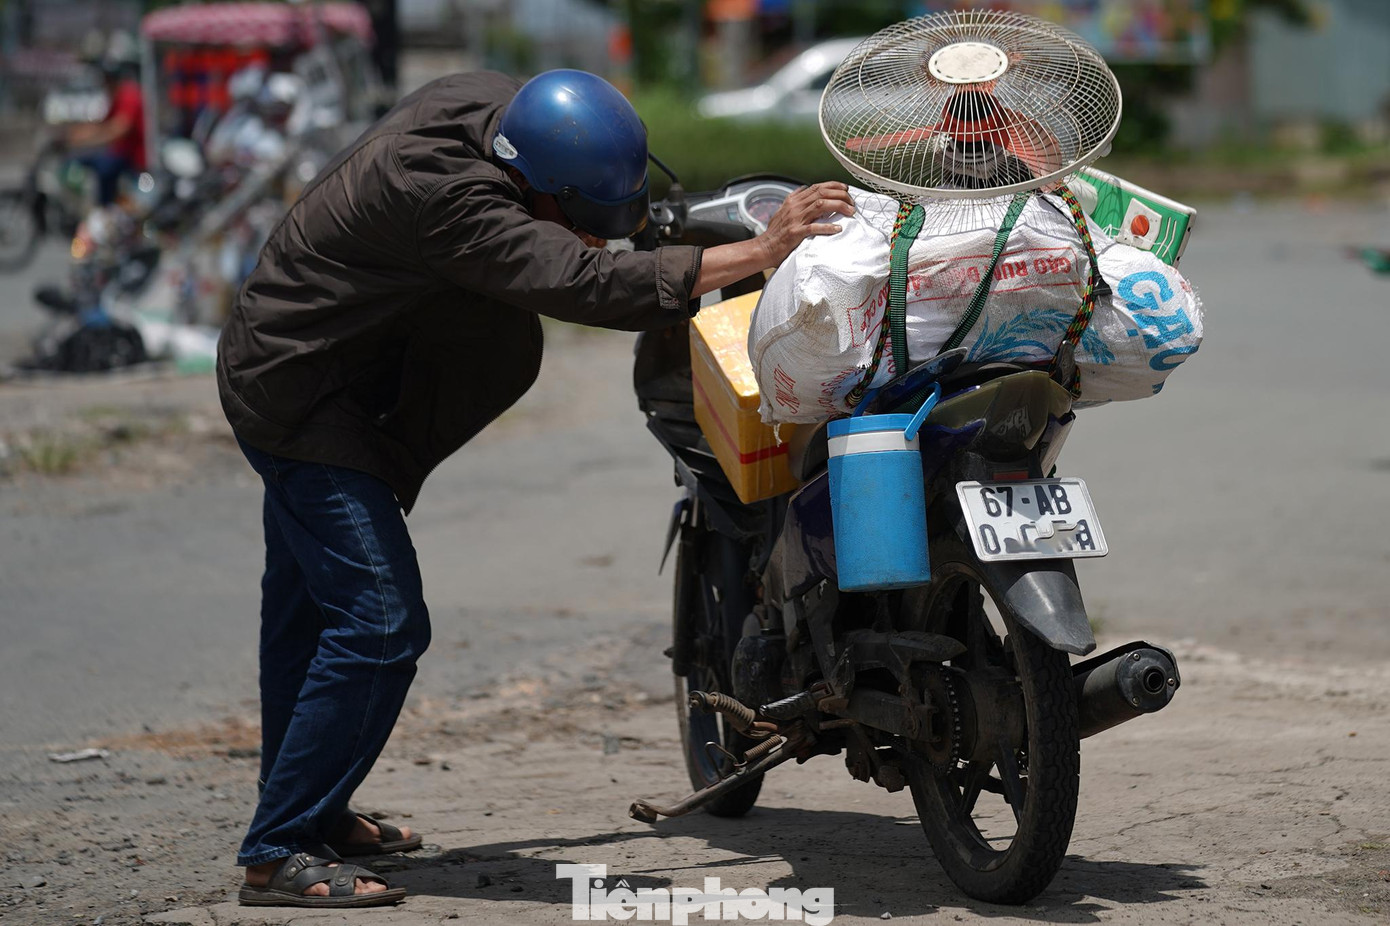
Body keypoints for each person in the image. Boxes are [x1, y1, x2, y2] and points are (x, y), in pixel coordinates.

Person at [217, 68, 854, 908]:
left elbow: (581, 206)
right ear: (533, 187)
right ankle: (277, 851)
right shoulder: (447, 200)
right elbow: (582, 282)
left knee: (306, 612)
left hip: (345, 369)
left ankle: (312, 810)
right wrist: (763, 250)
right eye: (578, 219)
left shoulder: (500, 108)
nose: (591, 235)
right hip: (303, 396)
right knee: (377, 623)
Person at [64, 58, 146, 209]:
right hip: (119, 154)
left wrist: (87, 141)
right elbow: (101, 125)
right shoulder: (116, 96)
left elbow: (118, 128)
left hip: (133, 159)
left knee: (103, 167)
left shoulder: (129, 94)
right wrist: (75, 135)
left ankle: (105, 209)